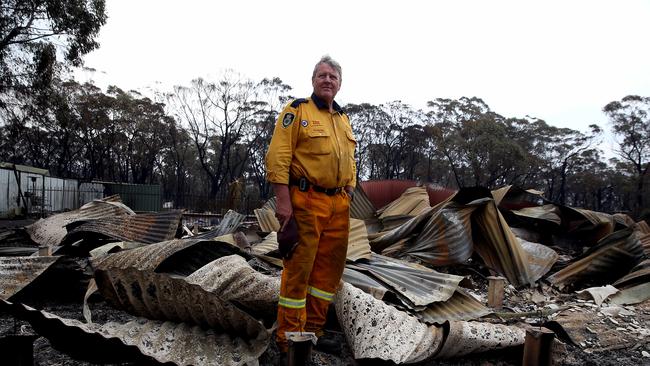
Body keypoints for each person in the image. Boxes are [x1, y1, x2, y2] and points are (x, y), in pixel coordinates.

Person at [265, 55, 357, 359]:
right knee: (298, 272)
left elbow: (350, 161)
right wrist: (283, 201)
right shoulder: (297, 111)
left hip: (338, 205)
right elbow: (278, 156)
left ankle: (314, 332)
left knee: (327, 274)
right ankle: (290, 339)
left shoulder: (343, 119)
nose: (327, 80)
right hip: (306, 202)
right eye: (322, 75)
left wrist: (350, 190)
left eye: (333, 76)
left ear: (340, 83)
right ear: (313, 81)